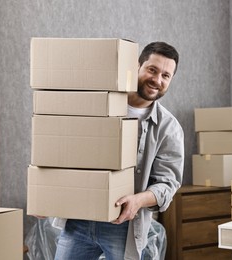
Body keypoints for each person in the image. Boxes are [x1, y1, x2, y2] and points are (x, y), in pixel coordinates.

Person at [54, 41, 184, 260]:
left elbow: (168, 183)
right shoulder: (99, 104)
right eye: (152, 70)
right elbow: (66, 150)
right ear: (137, 66)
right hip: (78, 220)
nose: (157, 80)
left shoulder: (169, 129)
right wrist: (48, 197)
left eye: (166, 75)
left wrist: (138, 200)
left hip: (124, 227)